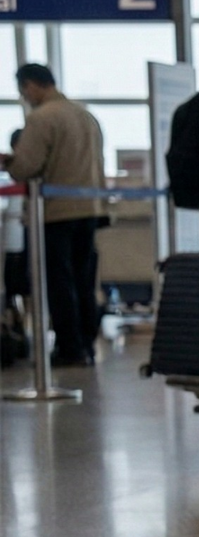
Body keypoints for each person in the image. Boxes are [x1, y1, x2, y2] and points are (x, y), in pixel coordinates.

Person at [3, 65, 106, 366]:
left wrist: (11, 164)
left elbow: (26, 167)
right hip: (88, 208)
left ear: (31, 85)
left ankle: (69, 347)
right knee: (84, 279)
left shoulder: (41, 118)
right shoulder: (85, 115)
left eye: (23, 91)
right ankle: (86, 344)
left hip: (56, 212)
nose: (25, 97)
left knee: (59, 283)